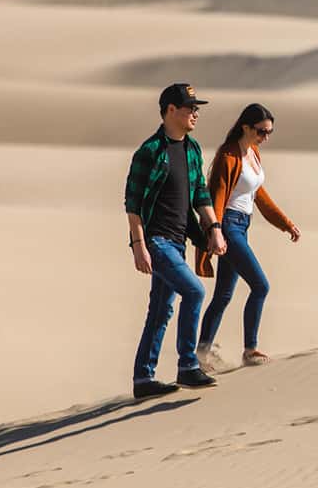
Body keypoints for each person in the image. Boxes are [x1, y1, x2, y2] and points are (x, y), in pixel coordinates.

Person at [124, 83, 228, 399]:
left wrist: (214, 228)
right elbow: (133, 204)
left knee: (161, 310)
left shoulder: (191, 149)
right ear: (171, 110)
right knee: (195, 291)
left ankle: (143, 379)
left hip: (178, 241)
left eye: (196, 108)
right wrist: (139, 246)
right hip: (156, 241)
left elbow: (200, 193)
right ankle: (187, 366)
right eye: (189, 108)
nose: (195, 113)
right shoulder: (150, 152)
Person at [195, 103, 300, 371]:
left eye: (269, 133)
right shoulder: (228, 156)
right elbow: (215, 195)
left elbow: (259, 196)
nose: (265, 137)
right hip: (227, 225)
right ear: (246, 127)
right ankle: (250, 350)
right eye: (261, 132)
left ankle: (202, 353)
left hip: (242, 225)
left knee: (223, 295)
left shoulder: (252, 153)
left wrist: (285, 224)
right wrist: (214, 230)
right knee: (261, 286)